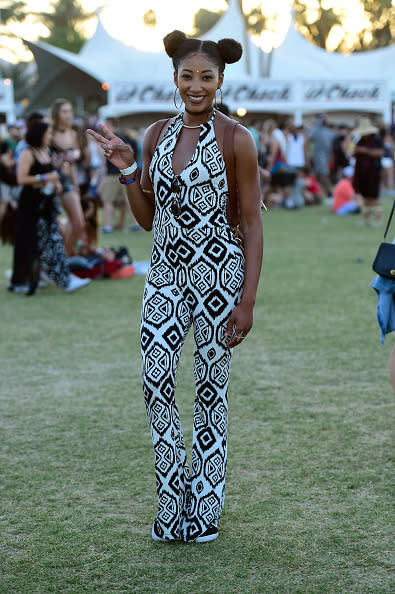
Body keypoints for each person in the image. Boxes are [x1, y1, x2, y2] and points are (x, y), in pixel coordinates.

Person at [88, 29, 263, 543]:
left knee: (211, 392)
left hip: (218, 278)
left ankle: (204, 509)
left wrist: (247, 299)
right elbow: (146, 218)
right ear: (175, 78)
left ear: (221, 80)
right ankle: (172, 502)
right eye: (188, 76)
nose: (196, 85)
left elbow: (251, 223)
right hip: (163, 274)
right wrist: (127, 170)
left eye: (206, 77)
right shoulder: (156, 135)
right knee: (156, 385)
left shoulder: (237, 139)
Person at [9, 120, 90, 295]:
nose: (50, 137)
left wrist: (56, 181)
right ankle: (24, 280)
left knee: (53, 241)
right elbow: (21, 179)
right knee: (29, 244)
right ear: (39, 135)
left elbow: (51, 174)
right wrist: (46, 177)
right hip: (31, 206)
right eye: (48, 134)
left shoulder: (44, 151)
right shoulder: (27, 152)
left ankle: (62, 278)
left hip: (46, 205)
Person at [50, 98, 85, 256]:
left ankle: (65, 258)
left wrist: (75, 183)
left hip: (68, 180)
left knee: (78, 223)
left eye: (70, 111)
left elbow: (74, 160)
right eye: (64, 111)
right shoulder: (49, 133)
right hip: (49, 181)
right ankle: (58, 262)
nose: (68, 114)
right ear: (56, 113)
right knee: (55, 226)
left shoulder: (73, 133)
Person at [352, 117, 384, 226]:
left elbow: (380, 153)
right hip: (362, 172)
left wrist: (364, 151)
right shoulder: (360, 140)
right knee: (365, 197)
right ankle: (366, 220)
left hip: (373, 172)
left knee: (374, 197)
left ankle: (378, 219)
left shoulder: (376, 140)